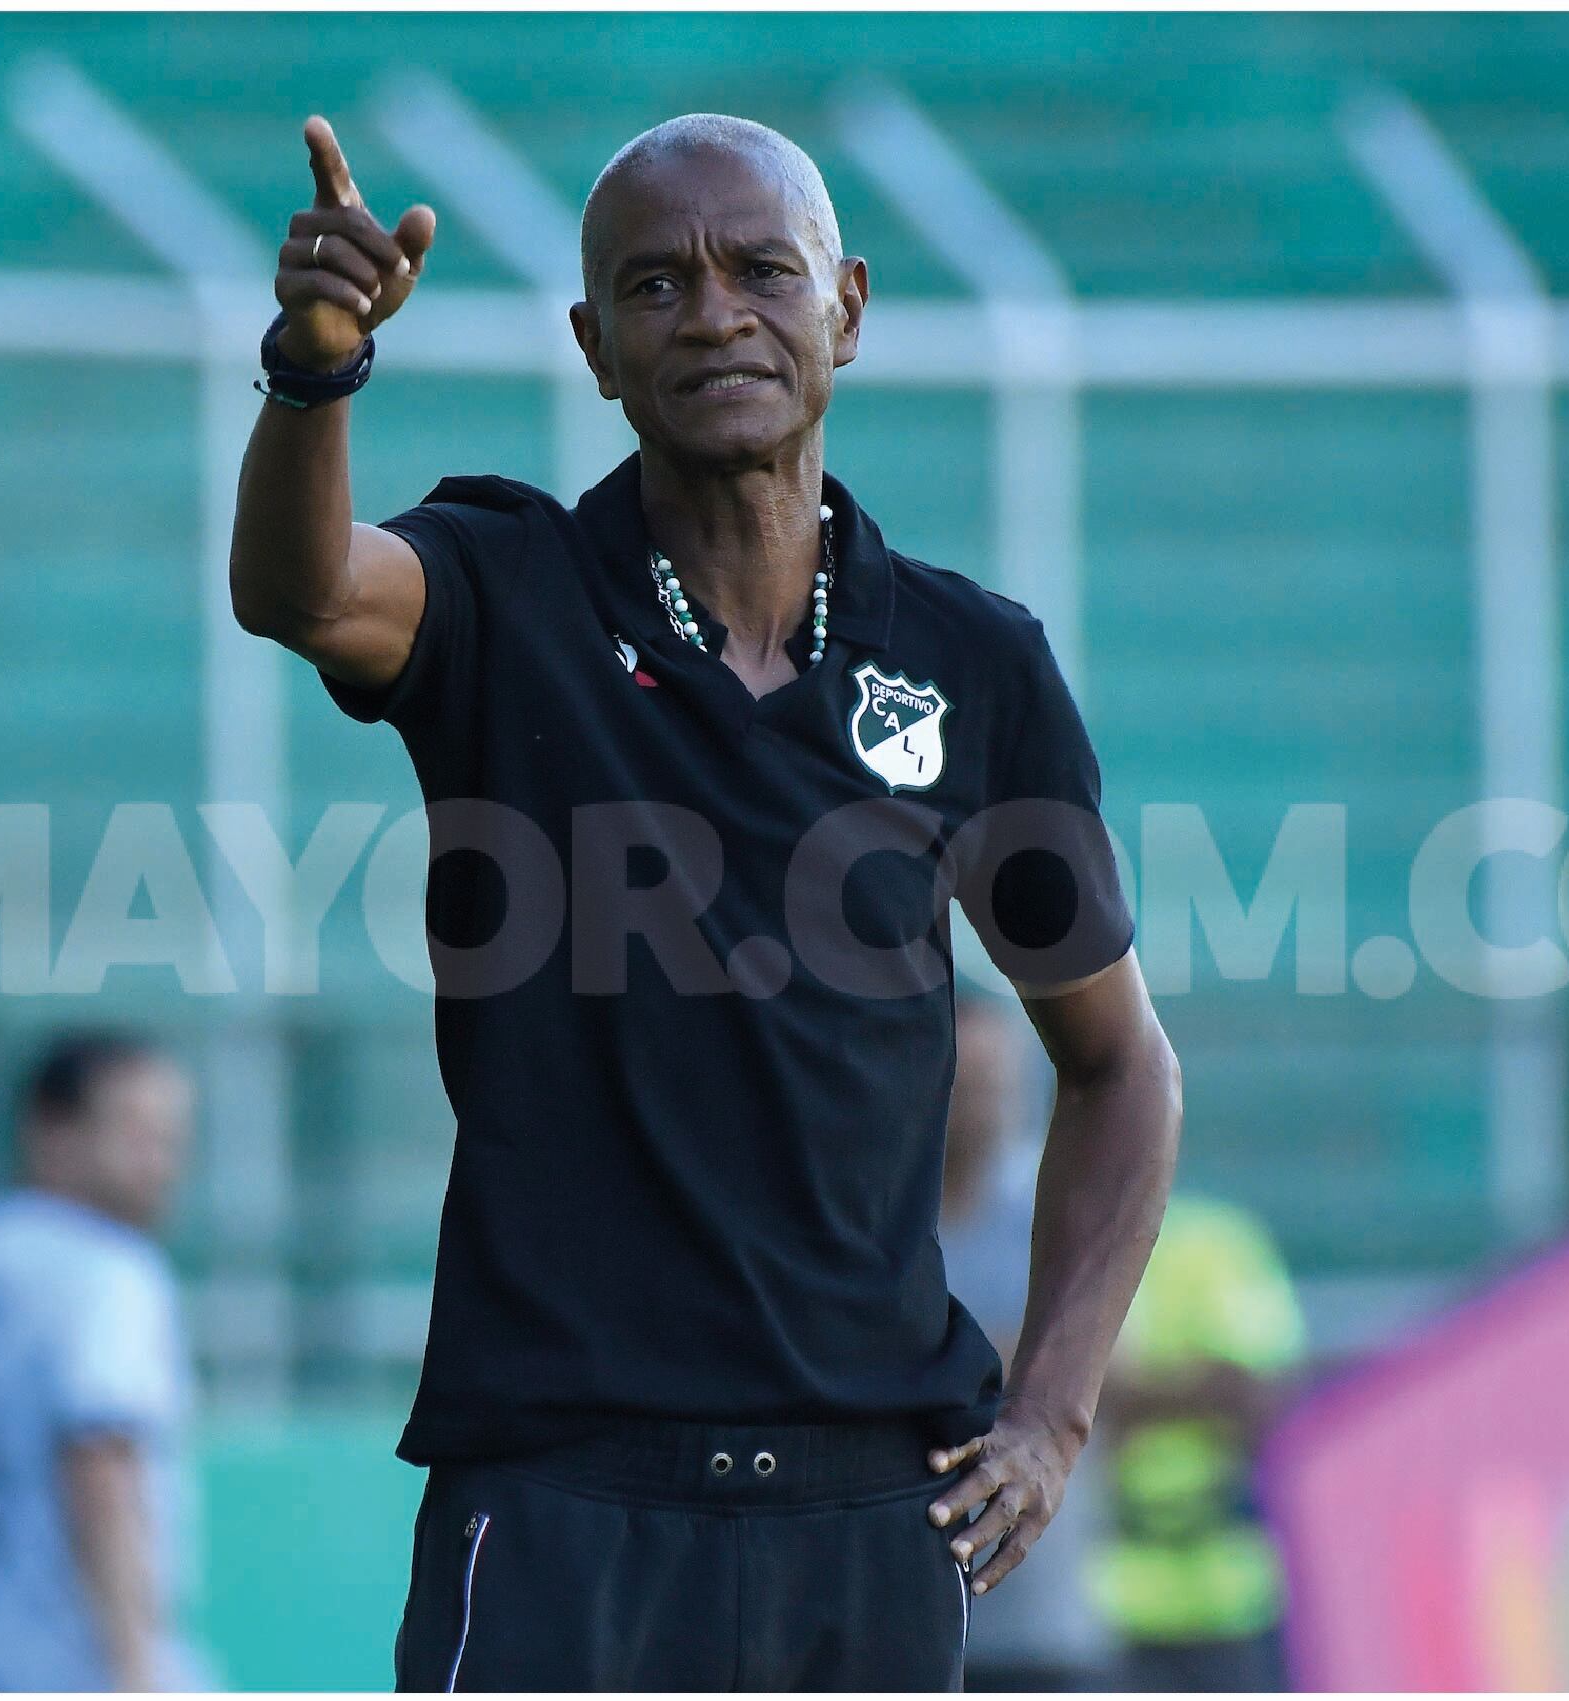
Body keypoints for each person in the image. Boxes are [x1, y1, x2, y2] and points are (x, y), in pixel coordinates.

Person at [230, 110, 1182, 1691]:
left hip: (871, 1508)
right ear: (596, 347)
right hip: (557, 1495)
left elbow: (1121, 1063)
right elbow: (303, 588)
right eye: (658, 286)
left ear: (848, 309)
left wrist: (1051, 1409)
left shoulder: (974, 661)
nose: (717, 312)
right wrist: (318, 361)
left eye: (762, 269)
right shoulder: (504, 588)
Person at [0, 1032, 209, 1692]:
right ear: (51, 1130)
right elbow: (101, 1462)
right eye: (135, 1132)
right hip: (72, 1666)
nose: (162, 1162)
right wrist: (137, 1668)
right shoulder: (107, 1267)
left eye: (172, 1137)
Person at [938, 990, 1119, 1691]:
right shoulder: (876, 1219)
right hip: (908, 1614)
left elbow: (1098, 1360)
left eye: (994, 1085)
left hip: (1045, 1622)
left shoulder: (1053, 1211)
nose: (981, 1106)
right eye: (965, 1085)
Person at [1091, 1195, 1306, 1691]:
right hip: (1099, 1607)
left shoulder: (1212, 1241)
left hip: (1224, 1594)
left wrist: (1115, 1393)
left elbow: (1254, 1394)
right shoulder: (1041, 1233)